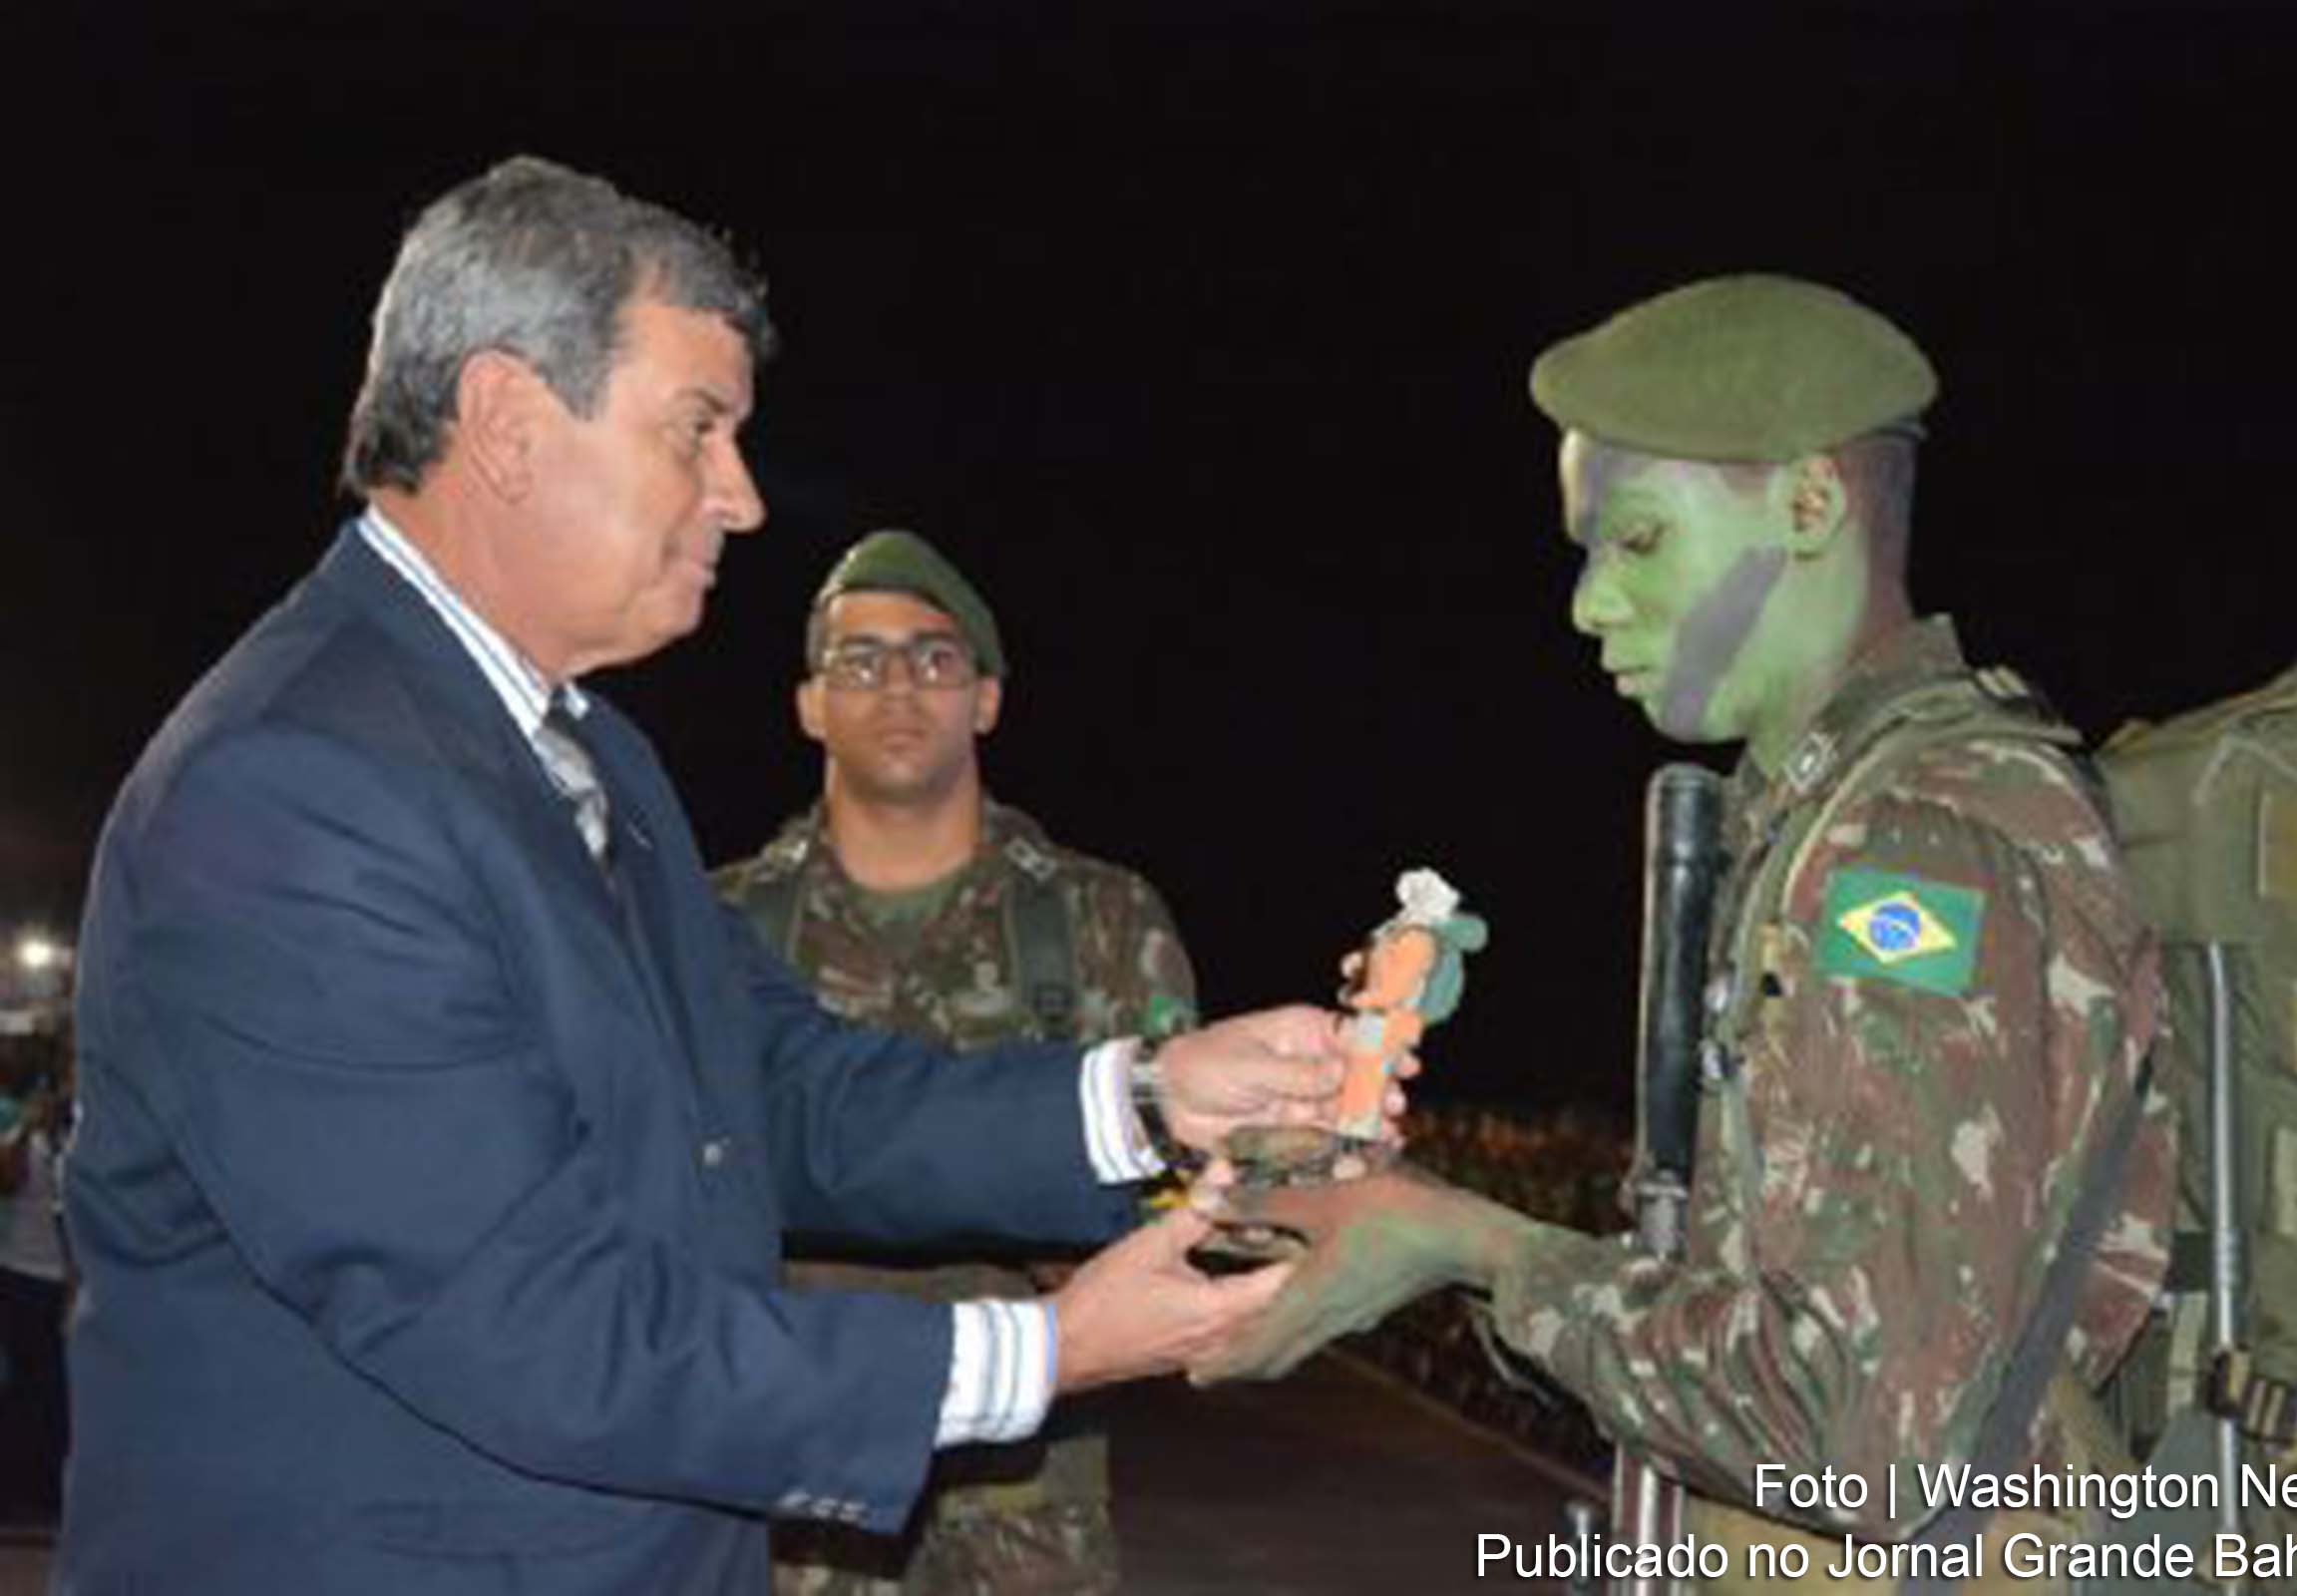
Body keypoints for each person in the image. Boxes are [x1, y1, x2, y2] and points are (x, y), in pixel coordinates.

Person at [62, 155, 1346, 1596]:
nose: (739, 497)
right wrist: (1038, 1353)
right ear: (508, 423)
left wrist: (1145, 1098)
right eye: (697, 430)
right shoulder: (294, 792)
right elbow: (529, 1327)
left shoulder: (589, 755)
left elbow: (772, 1090)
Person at [1196, 276, 2177, 1587]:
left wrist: (1466, 1241)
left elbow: (1859, 1427)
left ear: (1811, 505)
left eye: (1640, 540)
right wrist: (1412, 1237)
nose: (1589, 603)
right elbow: (1750, 1309)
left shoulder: (1912, 850)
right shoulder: (1828, 815)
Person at [714, 528, 1199, 1594]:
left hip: (1029, 1504)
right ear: (809, 703)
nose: (899, 686)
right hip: (793, 1497)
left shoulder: (1101, 921)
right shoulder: (717, 929)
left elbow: (1178, 1199)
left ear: (986, 699)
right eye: (860, 659)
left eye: (935, 658)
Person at [0, 1036, 71, 1527]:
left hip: (49, 1276)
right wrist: (26, 1125)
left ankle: (37, 1488)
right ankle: (26, 1491)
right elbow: (9, 1179)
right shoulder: (22, 1131)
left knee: (44, 1389)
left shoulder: (60, 1133)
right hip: (23, 1273)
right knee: (33, 1389)